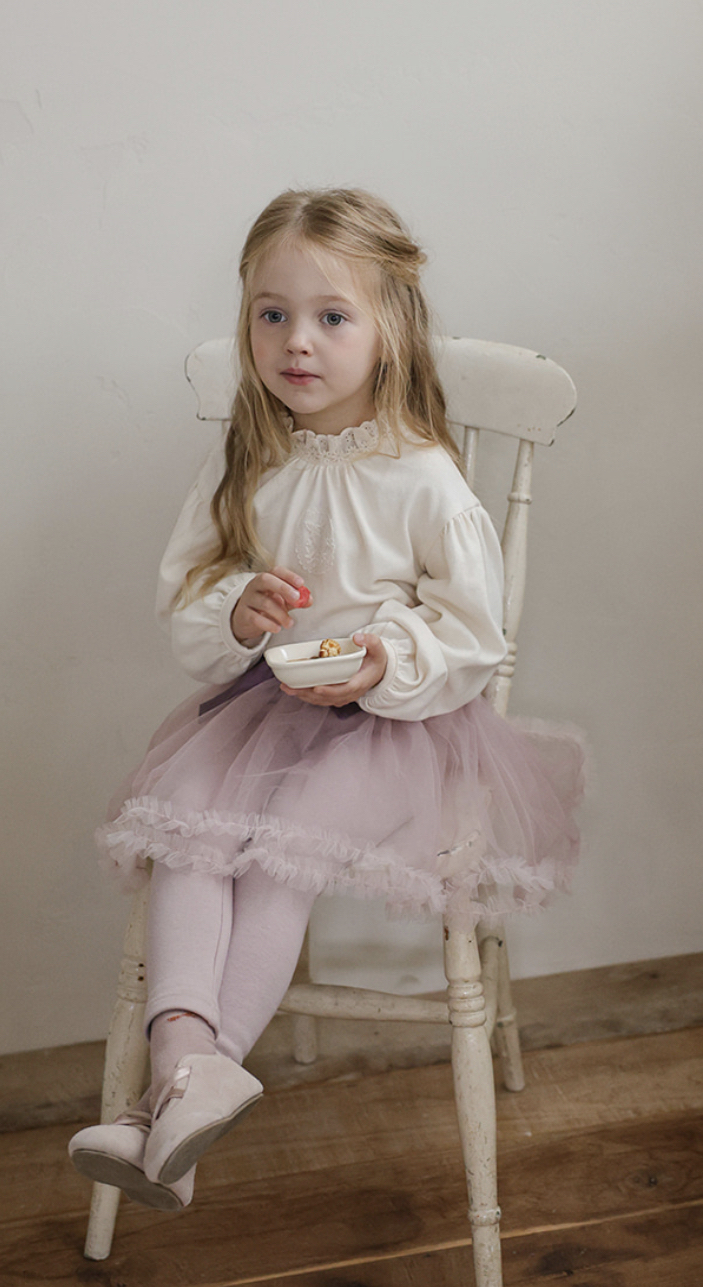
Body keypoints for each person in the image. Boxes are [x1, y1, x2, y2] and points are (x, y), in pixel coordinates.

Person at [68, 188, 584, 1211]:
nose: (296, 340)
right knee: (191, 830)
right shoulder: (249, 459)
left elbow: (470, 635)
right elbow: (189, 597)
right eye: (272, 313)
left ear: (389, 332)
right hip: (265, 710)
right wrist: (239, 610)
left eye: (331, 316)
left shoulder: (424, 478)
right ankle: (180, 1075)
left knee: (279, 849)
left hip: (398, 730)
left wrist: (385, 659)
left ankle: (180, 1090)